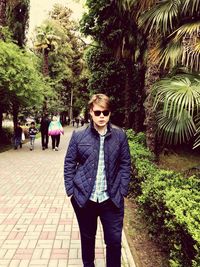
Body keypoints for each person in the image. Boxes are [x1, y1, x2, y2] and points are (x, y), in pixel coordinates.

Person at [64, 94, 131, 267]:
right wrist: (71, 191)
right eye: (98, 112)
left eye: (105, 112)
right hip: (85, 198)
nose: (102, 116)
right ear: (90, 113)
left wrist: (123, 190)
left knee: (114, 241)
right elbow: (70, 162)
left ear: (109, 114)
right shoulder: (79, 136)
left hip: (112, 199)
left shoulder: (119, 136)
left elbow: (125, 163)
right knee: (87, 238)